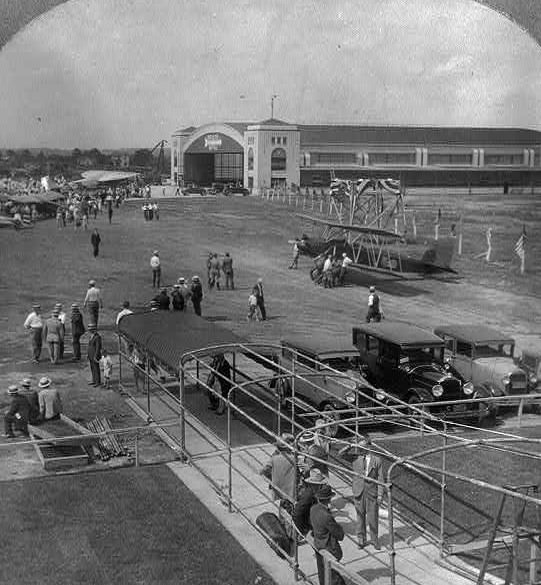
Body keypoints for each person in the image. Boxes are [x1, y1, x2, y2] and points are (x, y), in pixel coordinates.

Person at [339, 436, 384, 549]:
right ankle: (361, 539)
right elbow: (340, 454)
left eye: (364, 446)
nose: (361, 448)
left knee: (373, 517)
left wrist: (380, 494)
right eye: (360, 446)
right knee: (360, 517)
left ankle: (374, 540)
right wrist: (350, 446)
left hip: (371, 493)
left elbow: (380, 478)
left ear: (369, 446)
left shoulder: (376, 460)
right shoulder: (355, 457)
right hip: (359, 492)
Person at [310, 484, 345, 585]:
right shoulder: (326, 516)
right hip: (328, 547)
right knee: (329, 572)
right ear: (329, 499)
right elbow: (340, 535)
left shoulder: (313, 509)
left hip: (318, 542)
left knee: (322, 569)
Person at [260, 432, 296, 516]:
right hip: (291, 489)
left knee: (284, 506)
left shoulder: (274, 458)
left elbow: (263, 471)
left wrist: (271, 479)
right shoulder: (294, 458)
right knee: (290, 507)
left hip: (279, 487)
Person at [293, 467, 328, 536]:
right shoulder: (308, 495)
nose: (321, 485)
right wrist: (303, 530)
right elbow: (297, 513)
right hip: (308, 523)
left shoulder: (313, 492)